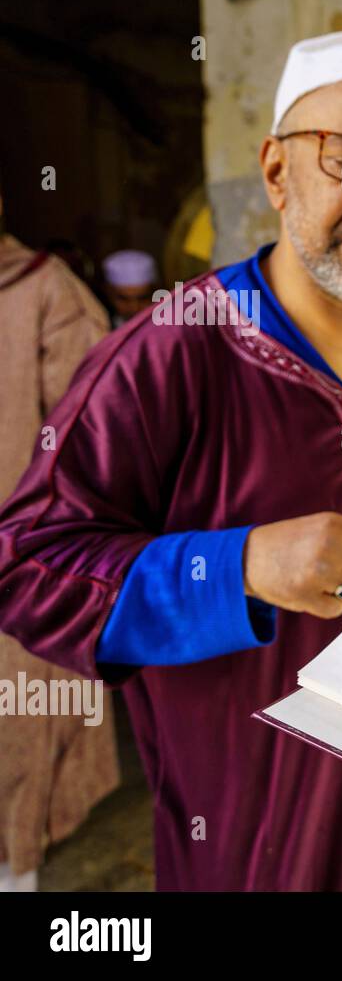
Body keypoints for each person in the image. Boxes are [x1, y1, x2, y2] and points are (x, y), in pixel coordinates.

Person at [0, 32, 342, 891]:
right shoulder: (168, 354)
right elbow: (30, 563)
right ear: (275, 171)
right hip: (258, 836)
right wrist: (239, 567)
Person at [0, 186, 115, 893]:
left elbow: (89, 442)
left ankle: (19, 870)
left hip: (18, 564)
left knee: (21, 733)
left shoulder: (45, 291)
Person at [101, 249, 160, 328]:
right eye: (124, 299)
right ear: (109, 294)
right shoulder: (99, 330)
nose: (134, 308)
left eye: (142, 299)